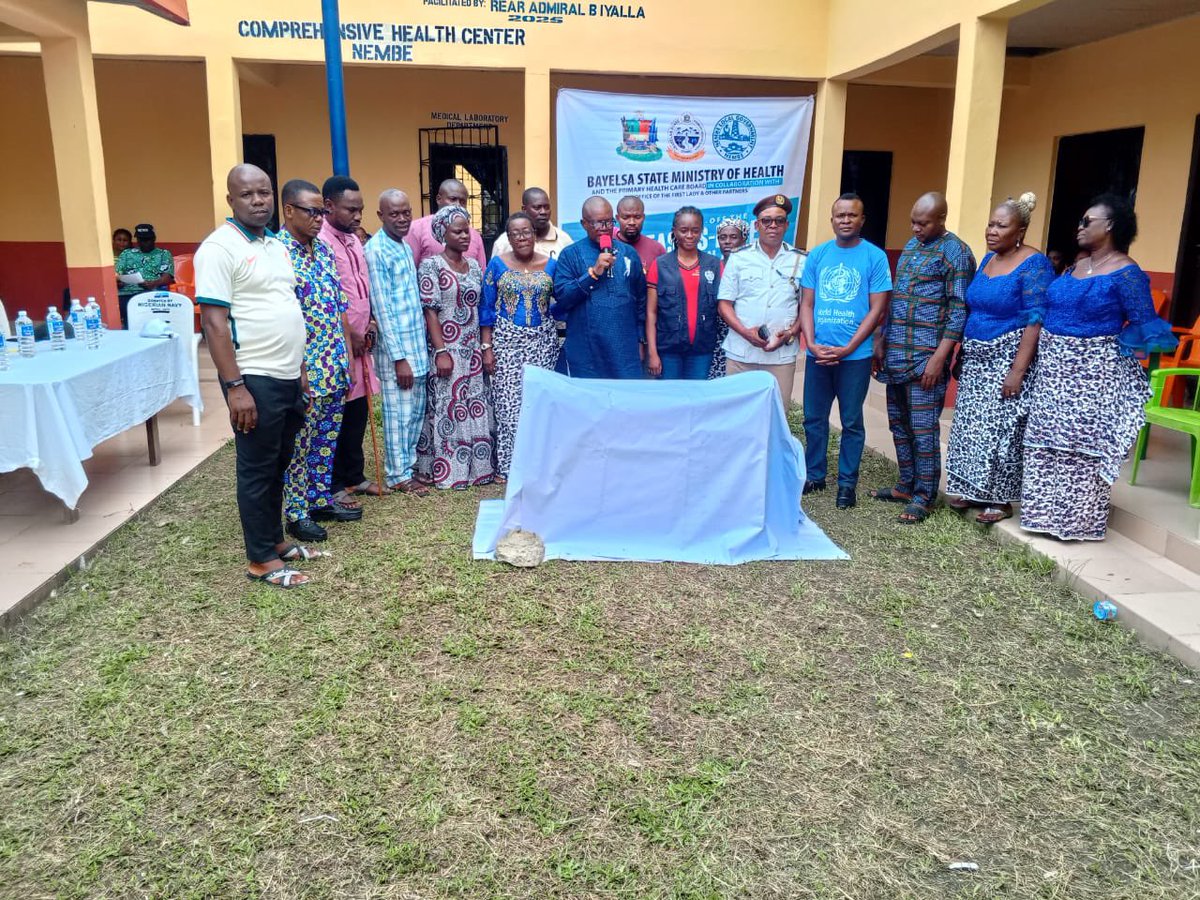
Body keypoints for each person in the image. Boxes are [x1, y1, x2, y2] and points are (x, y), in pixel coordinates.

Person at [1021, 194, 1177, 541]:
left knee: (1081, 446)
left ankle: (1076, 524)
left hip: (1092, 376)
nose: (1079, 226)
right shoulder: (1076, 266)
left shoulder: (1127, 272)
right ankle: (1041, 517)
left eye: (1087, 221)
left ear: (1111, 226)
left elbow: (1143, 325)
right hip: (1052, 374)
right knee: (1047, 441)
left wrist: (1104, 355)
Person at [197, 164, 313, 589]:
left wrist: (299, 369)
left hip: (286, 375)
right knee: (257, 468)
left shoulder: (275, 246)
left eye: (264, 192)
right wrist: (234, 388)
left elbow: (286, 306)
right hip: (254, 378)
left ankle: (275, 542)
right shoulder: (219, 248)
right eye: (248, 194)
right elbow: (214, 323)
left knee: (279, 461)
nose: (259, 200)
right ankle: (260, 560)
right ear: (231, 199)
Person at [945, 193, 1052, 525]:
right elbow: (975, 306)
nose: (991, 230)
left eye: (1001, 225)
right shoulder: (988, 259)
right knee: (972, 427)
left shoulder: (1035, 264)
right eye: (990, 223)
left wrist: (1018, 371)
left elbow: (1035, 319)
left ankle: (1000, 499)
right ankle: (972, 488)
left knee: (1001, 431)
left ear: (1020, 230)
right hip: (977, 358)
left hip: (1007, 358)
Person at [872, 191, 976, 524]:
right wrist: (881, 341)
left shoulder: (956, 253)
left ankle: (924, 495)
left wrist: (940, 357)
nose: (916, 228)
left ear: (941, 219)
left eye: (923, 223)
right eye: (913, 222)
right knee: (899, 424)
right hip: (896, 354)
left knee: (923, 429)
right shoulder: (912, 247)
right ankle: (905, 484)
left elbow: (959, 309)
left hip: (926, 357)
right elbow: (897, 298)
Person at [796, 193, 891, 510]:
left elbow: (877, 309)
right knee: (813, 418)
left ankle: (847, 484)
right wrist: (810, 343)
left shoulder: (874, 258)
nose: (846, 220)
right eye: (840, 215)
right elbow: (806, 303)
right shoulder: (818, 256)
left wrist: (850, 346)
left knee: (851, 421)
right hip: (818, 354)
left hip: (855, 357)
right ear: (832, 219)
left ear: (862, 220)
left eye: (852, 215)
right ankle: (815, 474)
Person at [278, 179, 359, 542]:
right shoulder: (277, 254)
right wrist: (298, 371)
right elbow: (280, 319)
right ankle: (296, 512)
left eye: (321, 212)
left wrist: (348, 356)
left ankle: (318, 497)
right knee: (300, 443)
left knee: (327, 437)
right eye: (311, 211)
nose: (318, 218)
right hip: (305, 367)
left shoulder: (323, 251)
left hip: (335, 363)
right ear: (289, 210)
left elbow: (340, 307)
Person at [416, 205, 495, 488]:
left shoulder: (474, 265)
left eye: (468, 230)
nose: (466, 236)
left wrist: (485, 346)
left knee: (473, 404)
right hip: (447, 348)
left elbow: (482, 306)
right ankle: (450, 470)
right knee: (449, 406)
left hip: (472, 347)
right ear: (442, 233)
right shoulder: (430, 266)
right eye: (458, 231)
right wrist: (440, 352)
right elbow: (430, 312)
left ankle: (478, 469)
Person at [319, 175, 382, 505]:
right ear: (328, 206)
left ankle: (354, 476)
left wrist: (369, 320)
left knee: (358, 411)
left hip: (362, 343)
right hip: (339, 343)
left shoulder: (355, 240)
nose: (358, 216)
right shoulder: (321, 242)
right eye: (350, 209)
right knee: (337, 414)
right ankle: (333, 483)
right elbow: (331, 297)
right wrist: (351, 334)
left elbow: (360, 288)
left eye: (360, 210)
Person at [482, 212, 558, 480]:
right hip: (506, 344)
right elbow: (487, 309)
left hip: (543, 343)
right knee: (509, 406)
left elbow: (562, 301)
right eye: (516, 233)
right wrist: (487, 347)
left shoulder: (551, 265)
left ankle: (538, 464)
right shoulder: (497, 266)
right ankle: (509, 467)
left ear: (534, 235)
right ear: (508, 237)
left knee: (539, 405)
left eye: (526, 231)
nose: (522, 237)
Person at [365, 189, 430, 496]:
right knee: (397, 413)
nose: (403, 219)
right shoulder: (376, 250)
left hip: (416, 343)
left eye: (406, 212)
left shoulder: (403, 245)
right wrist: (398, 357)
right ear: (380, 216)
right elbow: (382, 308)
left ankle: (409, 465)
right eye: (395, 214)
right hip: (397, 352)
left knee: (415, 411)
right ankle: (397, 474)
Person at [717, 194, 807, 403]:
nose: (772, 226)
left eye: (779, 221)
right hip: (741, 353)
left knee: (776, 414)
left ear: (786, 225)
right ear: (757, 225)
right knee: (736, 414)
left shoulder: (801, 260)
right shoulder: (739, 258)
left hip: (781, 356)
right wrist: (746, 333)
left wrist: (791, 332)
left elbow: (806, 307)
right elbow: (724, 305)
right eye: (766, 221)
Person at [552, 195, 647, 379]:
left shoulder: (628, 253)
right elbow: (563, 298)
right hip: (587, 352)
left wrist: (641, 339)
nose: (605, 229)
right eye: (598, 223)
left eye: (609, 222)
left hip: (624, 351)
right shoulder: (570, 255)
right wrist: (593, 274)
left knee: (625, 403)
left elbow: (641, 300)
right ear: (584, 224)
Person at [646, 206, 723, 380]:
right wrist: (652, 352)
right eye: (684, 230)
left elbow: (724, 307)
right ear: (674, 231)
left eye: (695, 230)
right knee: (670, 399)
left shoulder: (714, 265)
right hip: (668, 350)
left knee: (697, 399)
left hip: (701, 350)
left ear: (702, 231)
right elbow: (651, 313)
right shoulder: (660, 265)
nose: (689, 235)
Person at [406, 178, 487, 270]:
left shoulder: (474, 236)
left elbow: (482, 274)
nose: (457, 205)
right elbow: (409, 272)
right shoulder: (417, 229)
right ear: (438, 199)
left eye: (462, 202)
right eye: (453, 199)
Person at [710, 216, 751, 379]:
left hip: (743, 336)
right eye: (722, 237)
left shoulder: (751, 268)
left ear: (744, 239)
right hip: (715, 340)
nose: (727, 241)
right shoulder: (711, 267)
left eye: (733, 237)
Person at [115, 223, 174, 328]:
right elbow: (117, 274)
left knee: (151, 322)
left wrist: (154, 283)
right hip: (126, 293)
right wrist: (119, 281)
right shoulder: (127, 254)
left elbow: (167, 277)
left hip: (151, 292)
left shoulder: (163, 254)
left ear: (154, 239)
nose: (144, 243)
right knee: (130, 319)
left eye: (147, 240)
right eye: (141, 240)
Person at [490, 187, 574, 260]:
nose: (543, 212)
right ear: (524, 209)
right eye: (537, 208)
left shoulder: (564, 240)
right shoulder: (504, 242)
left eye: (547, 207)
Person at [614, 195, 666, 271]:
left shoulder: (657, 249)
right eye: (626, 217)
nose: (632, 222)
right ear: (617, 218)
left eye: (637, 217)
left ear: (643, 217)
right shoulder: (606, 245)